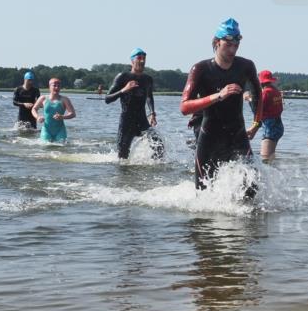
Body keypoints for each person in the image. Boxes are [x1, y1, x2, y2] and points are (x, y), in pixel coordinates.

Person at [180, 18, 262, 192]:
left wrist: (256, 122)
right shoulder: (200, 69)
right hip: (209, 136)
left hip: (237, 134)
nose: (233, 49)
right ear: (217, 42)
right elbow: (184, 107)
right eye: (228, 44)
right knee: (203, 195)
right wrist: (218, 95)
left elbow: (258, 94)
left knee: (251, 186)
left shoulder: (246, 66)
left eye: (237, 44)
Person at [105, 47, 161, 160]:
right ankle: (124, 176)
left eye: (144, 58)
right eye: (139, 58)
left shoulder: (148, 79)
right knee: (122, 157)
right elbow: (107, 99)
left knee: (158, 145)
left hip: (142, 119)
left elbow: (149, 97)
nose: (142, 61)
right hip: (127, 121)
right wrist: (123, 90)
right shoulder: (123, 77)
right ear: (132, 60)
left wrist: (152, 114)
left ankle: (155, 167)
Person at [33, 78, 76, 143]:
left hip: (60, 130)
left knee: (60, 148)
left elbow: (73, 114)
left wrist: (62, 117)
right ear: (49, 87)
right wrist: (37, 117)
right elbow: (34, 109)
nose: (57, 87)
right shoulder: (43, 98)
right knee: (45, 147)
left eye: (58, 86)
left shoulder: (64, 99)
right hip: (46, 129)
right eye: (54, 85)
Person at [255, 70, 284, 159]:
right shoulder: (276, 91)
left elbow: (258, 109)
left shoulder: (265, 93)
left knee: (265, 159)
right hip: (278, 125)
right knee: (271, 157)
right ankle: (275, 172)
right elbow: (281, 109)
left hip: (269, 127)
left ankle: (268, 173)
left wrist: (250, 100)